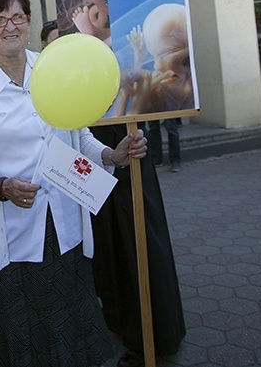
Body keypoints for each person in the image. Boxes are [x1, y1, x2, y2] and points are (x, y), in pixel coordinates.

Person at [0, 0, 148, 367]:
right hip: (11, 238)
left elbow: (76, 133)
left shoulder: (52, 68)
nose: (10, 27)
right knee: (22, 343)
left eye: (17, 17)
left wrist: (110, 153)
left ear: (28, 22)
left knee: (70, 336)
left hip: (64, 228)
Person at [89, 124, 186, 367]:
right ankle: (121, 321)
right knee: (106, 240)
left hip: (124, 150)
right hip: (95, 148)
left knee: (134, 239)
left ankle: (149, 335)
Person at [113, 3, 193, 117]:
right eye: (154, 56)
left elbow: (170, 61)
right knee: (129, 87)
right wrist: (138, 52)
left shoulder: (185, 75)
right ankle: (117, 117)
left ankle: (124, 115)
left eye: (162, 56)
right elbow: (135, 90)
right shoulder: (164, 74)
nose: (157, 65)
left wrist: (190, 45)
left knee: (145, 76)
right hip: (149, 103)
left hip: (155, 105)